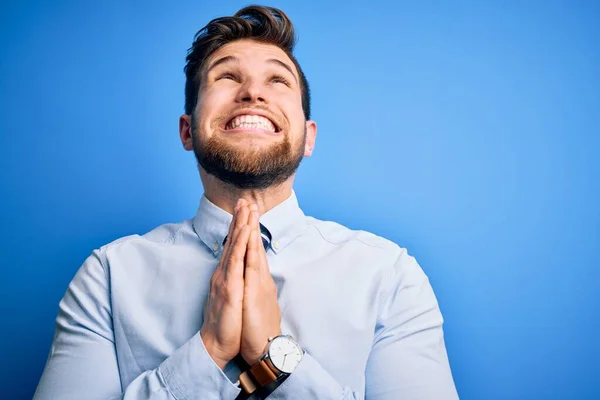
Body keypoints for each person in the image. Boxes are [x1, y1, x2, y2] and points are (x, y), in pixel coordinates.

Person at [34, 5, 458, 399]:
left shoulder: (388, 276)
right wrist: (208, 351)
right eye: (227, 77)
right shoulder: (108, 276)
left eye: (277, 80)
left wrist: (274, 358)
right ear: (187, 131)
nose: (253, 92)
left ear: (308, 137)